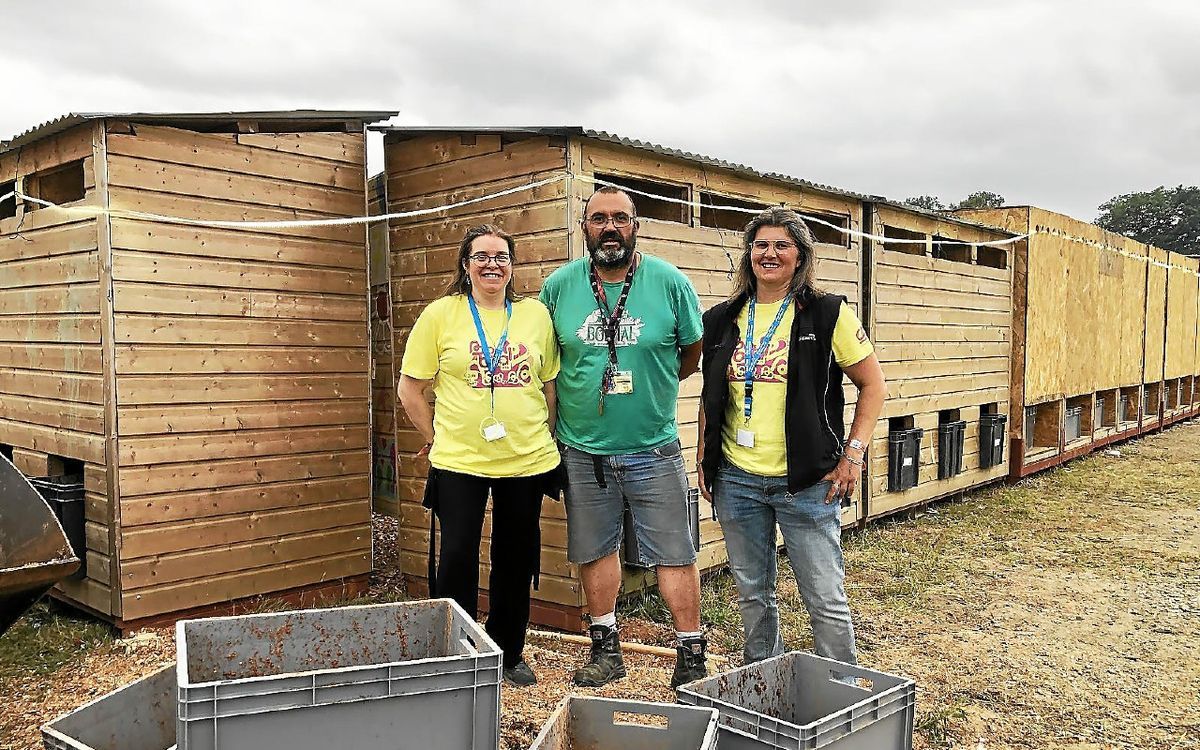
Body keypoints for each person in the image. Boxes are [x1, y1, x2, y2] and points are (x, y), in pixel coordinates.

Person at [697, 207, 887, 668]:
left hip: (807, 484)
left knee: (824, 598)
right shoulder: (722, 319)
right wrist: (705, 458)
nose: (770, 253)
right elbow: (712, 395)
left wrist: (853, 455)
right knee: (753, 596)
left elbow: (874, 385)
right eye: (761, 244)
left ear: (800, 256)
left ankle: (841, 696)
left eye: (782, 245)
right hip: (738, 482)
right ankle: (764, 684)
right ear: (749, 254)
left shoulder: (827, 314)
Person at [539, 185, 706, 689]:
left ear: (635, 225)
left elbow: (691, 353)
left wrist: (651, 391)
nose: (609, 227)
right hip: (583, 449)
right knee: (594, 550)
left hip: (654, 447)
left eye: (619, 218)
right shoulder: (559, 288)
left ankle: (691, 654)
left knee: (675, 552)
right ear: (584, 228)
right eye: (598, 219)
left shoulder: (670, 282)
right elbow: (548, 362)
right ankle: (606, 648)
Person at [398, 224, 561, 688]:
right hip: (459, 464)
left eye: (502, 256)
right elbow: (411, 389)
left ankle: (507, 652)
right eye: (482, 255)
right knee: (456, 558)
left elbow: (548, 385)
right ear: (465, 265)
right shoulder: (441, 315)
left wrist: (545, 436)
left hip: (526, 461)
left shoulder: (535, 316)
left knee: (516, 557)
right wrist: (435, 436)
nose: (493, 264)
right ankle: (459, 654)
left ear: (513, 266)